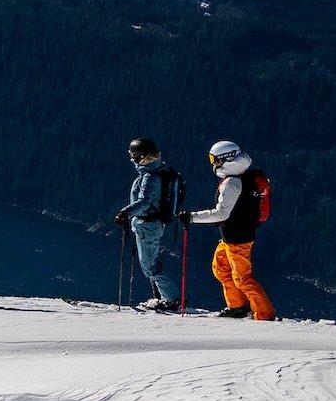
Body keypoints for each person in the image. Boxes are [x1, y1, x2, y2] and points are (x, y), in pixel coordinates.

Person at [187, 139, 277, 320]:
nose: (213, 164)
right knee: (220, 268)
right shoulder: (246, 176)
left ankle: (265, 315)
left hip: (238, 239)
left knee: (243, 278)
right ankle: (237, 306)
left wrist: (191, 217)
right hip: (232, 236)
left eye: (215, 160)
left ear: (227, 159)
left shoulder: (232, 183)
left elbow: (221, 214)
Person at [113, 137, 184, 312]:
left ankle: (173, 298)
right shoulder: (160, 169)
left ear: (143, 157)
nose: (132, 160)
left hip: (147, 225)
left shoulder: (150, 176)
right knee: (151, 263)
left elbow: (145, 202)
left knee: (150, 266)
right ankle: (161, 297)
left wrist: (125, 212)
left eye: (134, 156)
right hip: (152, 224)